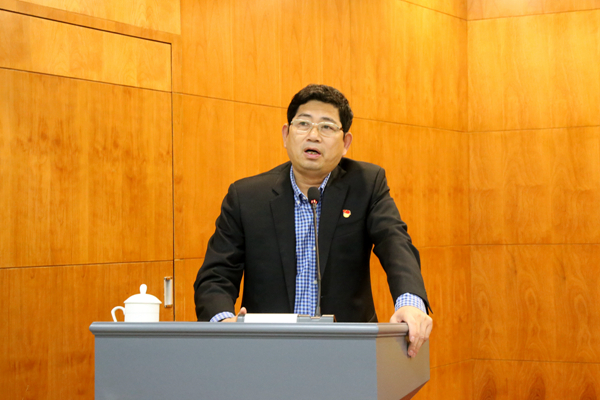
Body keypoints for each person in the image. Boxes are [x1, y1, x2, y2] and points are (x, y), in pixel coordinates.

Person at [194, 84, 432, 357]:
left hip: (348, 351)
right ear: (286, 135)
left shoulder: (366, 185)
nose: (313, 135)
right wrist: (224, 322)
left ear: (346, 143)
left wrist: (410, 302)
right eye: (303, 124)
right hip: (266, 350)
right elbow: (216, 275)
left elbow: (395, 243)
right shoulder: (247, 196)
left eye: (327, 127)